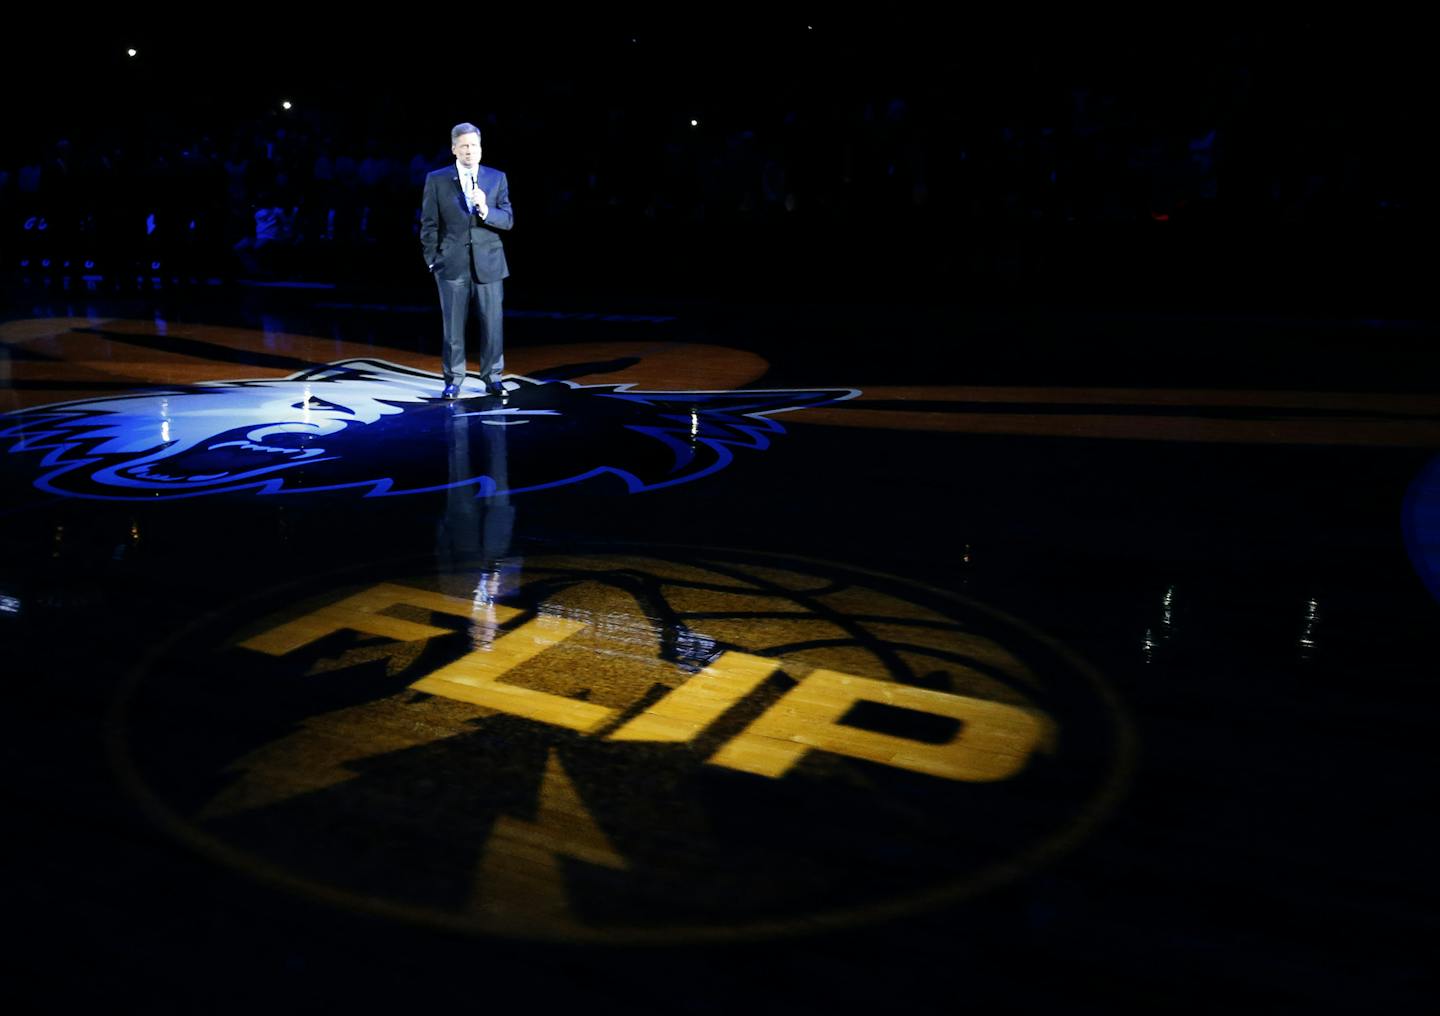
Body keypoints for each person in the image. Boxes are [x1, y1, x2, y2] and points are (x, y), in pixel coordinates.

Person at [420, 123, 513, 399]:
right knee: (453, 327)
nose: (469, 151)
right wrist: (432, 260)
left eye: (474, 146)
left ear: (481, 149)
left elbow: (507, 220)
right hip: (451, 264)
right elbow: (428, 224)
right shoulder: (437, 179)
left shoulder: (497, 178)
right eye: (464, 146)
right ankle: (453, 379)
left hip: (490, 263)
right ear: (454, 149)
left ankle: (493, 377)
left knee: (492, 324)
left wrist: (485, 208)